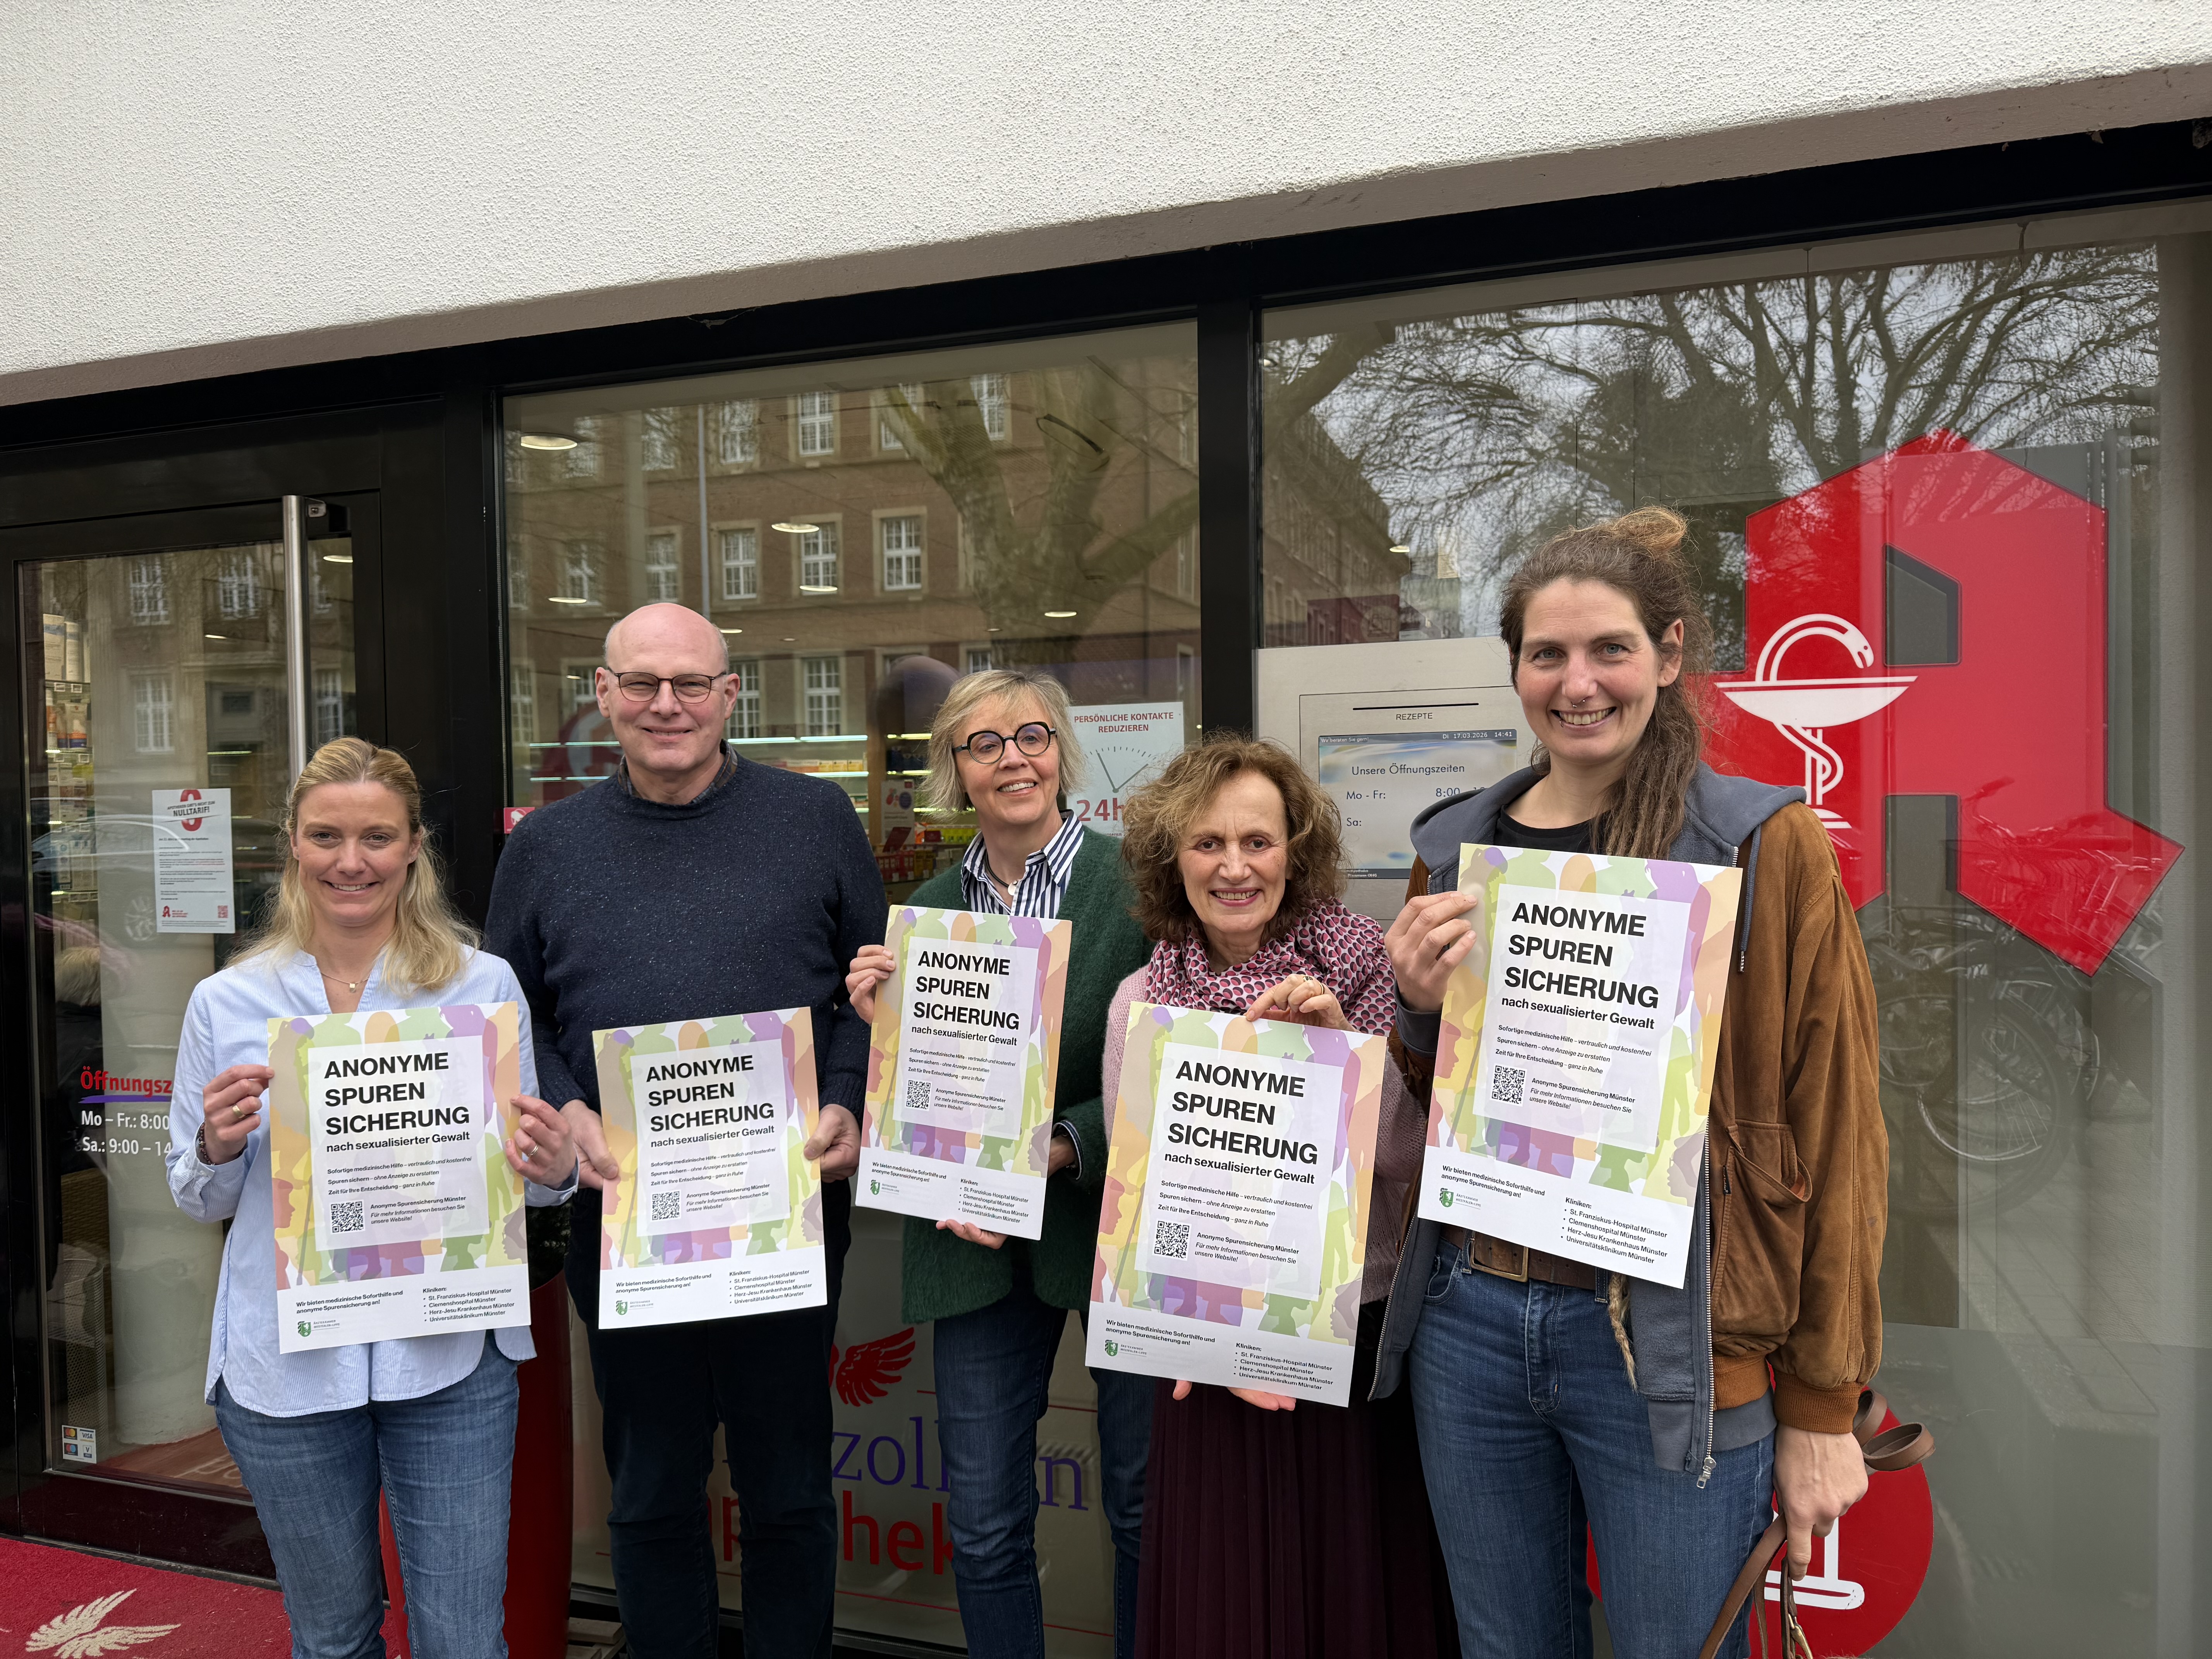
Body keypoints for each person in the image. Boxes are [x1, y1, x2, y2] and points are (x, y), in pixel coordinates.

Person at [1375, 508, 1887, 1659]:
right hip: (1473, 1315)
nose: (1579, 681)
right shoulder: (1461, 846)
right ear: (1515, 670)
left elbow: (1838, 1127)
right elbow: (1439, 1102)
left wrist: (1822, 1407)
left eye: (1609, 649)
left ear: (1667, 655)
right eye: (1547, 655)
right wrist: (1412, 1001)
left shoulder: (1760, 845)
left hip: (1672, 1338)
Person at [484, 601, 884, 1659]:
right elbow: (507, 1014)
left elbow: (869, 992)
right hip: (624, 1219)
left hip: (783, 1213)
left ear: (730, 696)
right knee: (653, 1489)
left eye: (693, 683)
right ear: (605, 696)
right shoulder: (547, 848)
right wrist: (567, 1109)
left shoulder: (817, 818)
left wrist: (845, 1093)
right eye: (645, 683)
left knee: (790, 1487)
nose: (670, 704)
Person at [167, 737, 579, 1659]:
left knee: (467, 1639)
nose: (351, 861)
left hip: (447, 1360)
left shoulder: (483, 986)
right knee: (334, 1637)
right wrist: (215, 1143)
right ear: (294, 847)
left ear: (413, 848)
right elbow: (197, 1198)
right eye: (326, 836)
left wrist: (553, 1164)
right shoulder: (227, 1001)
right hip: (285, 1365)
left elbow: (533, 1187)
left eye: (377, 838)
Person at [1101, 735, 1458, 1659]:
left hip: (1350, 1343)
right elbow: (1135, 1205)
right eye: (1207, 843)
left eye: (1257, 841)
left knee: (1347, 1589)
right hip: (1206, 1358)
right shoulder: (1143, 999)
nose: (1233, 867)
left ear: (1293, 849)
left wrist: (1341, 1054)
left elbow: (1412, 1159)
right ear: (1169, 858)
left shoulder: (1364, 968)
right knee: (1228, 1604)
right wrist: (1204, 1337)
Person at [844, 667, 1153, 1659]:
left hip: (1109, 1233)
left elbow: (1177, 1060)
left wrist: (1066, 1143)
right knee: (982, 1523)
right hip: (968, 1240)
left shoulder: (1141, 882)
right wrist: (883, 1032)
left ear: (1061, 750)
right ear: (954, 770)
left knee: (1143, 1508)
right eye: (983, 744)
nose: (1011, 758)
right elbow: (915, 1095)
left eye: (1030, 736)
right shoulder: (923, 912)